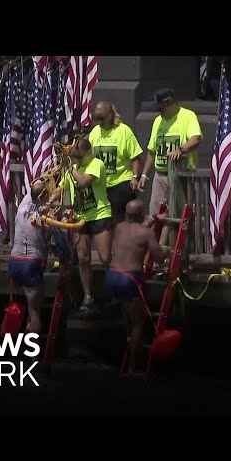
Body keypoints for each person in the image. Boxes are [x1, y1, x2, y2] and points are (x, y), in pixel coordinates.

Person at [105, 200, 167, 374]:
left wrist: (153, 219)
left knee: (127, 314)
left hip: (111, 276)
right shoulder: (146, 233)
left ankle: (128, 337)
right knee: (139, 322)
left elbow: (135, 229)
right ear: (141, 214)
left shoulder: (119, 227)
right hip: (129, 278)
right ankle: (132, 367)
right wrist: (166, 252)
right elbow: (159, 258)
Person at [139, 87, 202, 247]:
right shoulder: (158, 121)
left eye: (162, 108)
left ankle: (175, 251)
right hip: (160, 175)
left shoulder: (187, 116)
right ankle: (154, 252)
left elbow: (196, 138)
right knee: (154, 215)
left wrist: (181, 150)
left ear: (171, 103)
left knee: (176, 215)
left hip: (181, 176)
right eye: (157, 109)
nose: (159, 112)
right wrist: (145, 174)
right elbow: (152, 150)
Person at [65, 137, 112, 313]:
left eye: (75, 152)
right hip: (80, 217)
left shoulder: (96, 163)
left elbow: (84, 181)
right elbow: (63, 188)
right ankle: (88, 297)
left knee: (105, 258)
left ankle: (112, 291)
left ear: (84, 152)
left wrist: (70, 169)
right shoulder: (73, 169)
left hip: (99, 214)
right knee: (83, 258)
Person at [88, 101, 144, 225]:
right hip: (101, 185)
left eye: (101, 118)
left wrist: (135, 177)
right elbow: (89, 157)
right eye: (96, 119)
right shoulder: (95, 132)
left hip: (120, 182)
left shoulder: (124, 131)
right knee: (104, 221)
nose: (99, 122)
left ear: (110, 115)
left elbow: (135, 157)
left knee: (118, 221)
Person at [7, 180, 49, 336]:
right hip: (30, 263)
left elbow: (33, 192)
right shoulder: (45, 214)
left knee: (30, 303)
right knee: (35, 310)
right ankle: (34, 356)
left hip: (14, 261)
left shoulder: (22, 207)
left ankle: (27, 331)